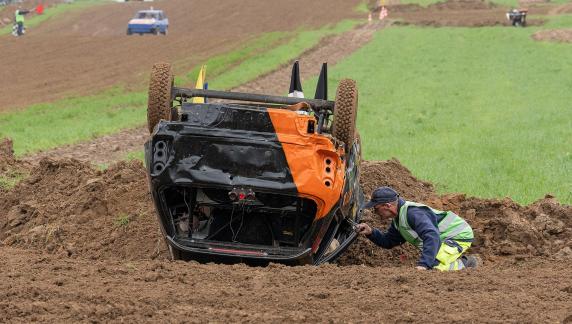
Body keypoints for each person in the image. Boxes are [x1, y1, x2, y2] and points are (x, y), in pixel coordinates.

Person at [355, 186, 478, 271]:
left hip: (458, 234)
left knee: (434, 268)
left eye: (376, 209)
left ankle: (467, 264)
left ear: (388, 206)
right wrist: (370, 232)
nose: (375, 212)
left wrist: (423, 265)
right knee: (430, 266)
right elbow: (389, 241)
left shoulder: (413, 213)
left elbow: (431, 235)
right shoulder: (399, 219)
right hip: (443, 238)